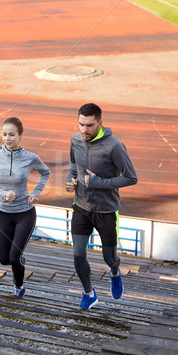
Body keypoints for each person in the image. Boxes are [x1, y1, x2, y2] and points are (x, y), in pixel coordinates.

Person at [65, 103, 138, 309]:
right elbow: (73, 164)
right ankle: (89, 294)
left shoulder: (114, 146)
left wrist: (99, 183)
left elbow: (131, 178)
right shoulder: (75, 140)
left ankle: (115, 272)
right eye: (81, 124)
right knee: (78, 254)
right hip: (80, 207)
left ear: (100, 123)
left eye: (89, 125)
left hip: (106, 211)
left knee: (109, 257)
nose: (84, 130)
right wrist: (70, 180)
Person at [0, 117, 51, 298]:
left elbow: (46, 172)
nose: (7, 138)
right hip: (4, 213)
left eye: (11, 135)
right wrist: (2, 194)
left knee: (14, 257)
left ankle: (18, 288)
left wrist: (36, 192)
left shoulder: (30, 158)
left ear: (20, 135)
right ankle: (18, 259)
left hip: (24, 214)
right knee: (4, 259)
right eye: (4, 135)